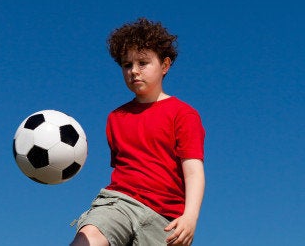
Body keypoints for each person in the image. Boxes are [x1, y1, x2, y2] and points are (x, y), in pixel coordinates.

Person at [70, 18, 206, 246]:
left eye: (143, 63)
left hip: (164, 220)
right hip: (119, 202)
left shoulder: (183, 114)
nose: (134, 71)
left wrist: (190, 217)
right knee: (89, 236)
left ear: (165, 65)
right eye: (127, 65)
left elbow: (193, 171)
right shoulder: (116, 117)